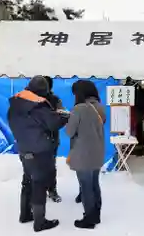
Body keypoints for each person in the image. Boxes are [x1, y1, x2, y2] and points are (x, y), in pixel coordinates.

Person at [7, 76, 69, 232]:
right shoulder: (38, 106)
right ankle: (40, 222)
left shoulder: (15, 104)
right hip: (40, 151)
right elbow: (53, 123)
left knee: (27, 181)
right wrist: (64, 117)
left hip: (24, 149)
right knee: (39, 185)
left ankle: (25, 214)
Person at [65, 80, 106, 229]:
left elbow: (69, 132)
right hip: (97, 152)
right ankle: (96, 215)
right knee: (94, 184)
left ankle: (89, 218)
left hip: (83, 154)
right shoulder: (100, 107)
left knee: (86, 186)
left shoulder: (79, 109)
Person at [43, 76, 64, 203]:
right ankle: (44, 190)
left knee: (49, 166)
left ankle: (51, 190)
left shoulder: (55, 100)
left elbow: (61, 116)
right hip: (41, 139)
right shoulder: (33, 99)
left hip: (50, 139)